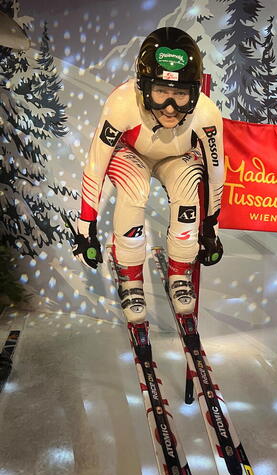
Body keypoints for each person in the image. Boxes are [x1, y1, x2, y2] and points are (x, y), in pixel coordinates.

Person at [73, 27, 224, 322]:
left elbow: (216, 174)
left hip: (177, 157)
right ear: (143, 88)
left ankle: (180, 272)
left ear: (194, 93)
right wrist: (85, 227)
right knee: (134, 192)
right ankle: (131, 277)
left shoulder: (206, 114)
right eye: (160, 92)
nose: (170, 107)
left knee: (187, 194)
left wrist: (210, 227)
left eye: (180, 94)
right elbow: (96, 165)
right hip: (133, 153)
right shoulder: (122, 102)